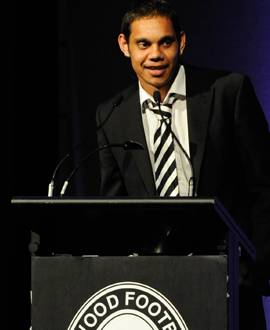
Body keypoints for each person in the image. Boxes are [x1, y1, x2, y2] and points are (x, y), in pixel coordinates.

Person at [96, 0, 270, 328]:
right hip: (154, 294)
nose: (155, 55)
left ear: (182, 41)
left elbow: (265, 185)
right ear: (124, 46)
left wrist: (257, 267)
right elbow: (114, 210)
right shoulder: (111, 115)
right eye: (143, 44)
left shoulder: (228, 91)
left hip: (231, 282)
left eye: (166, 42)